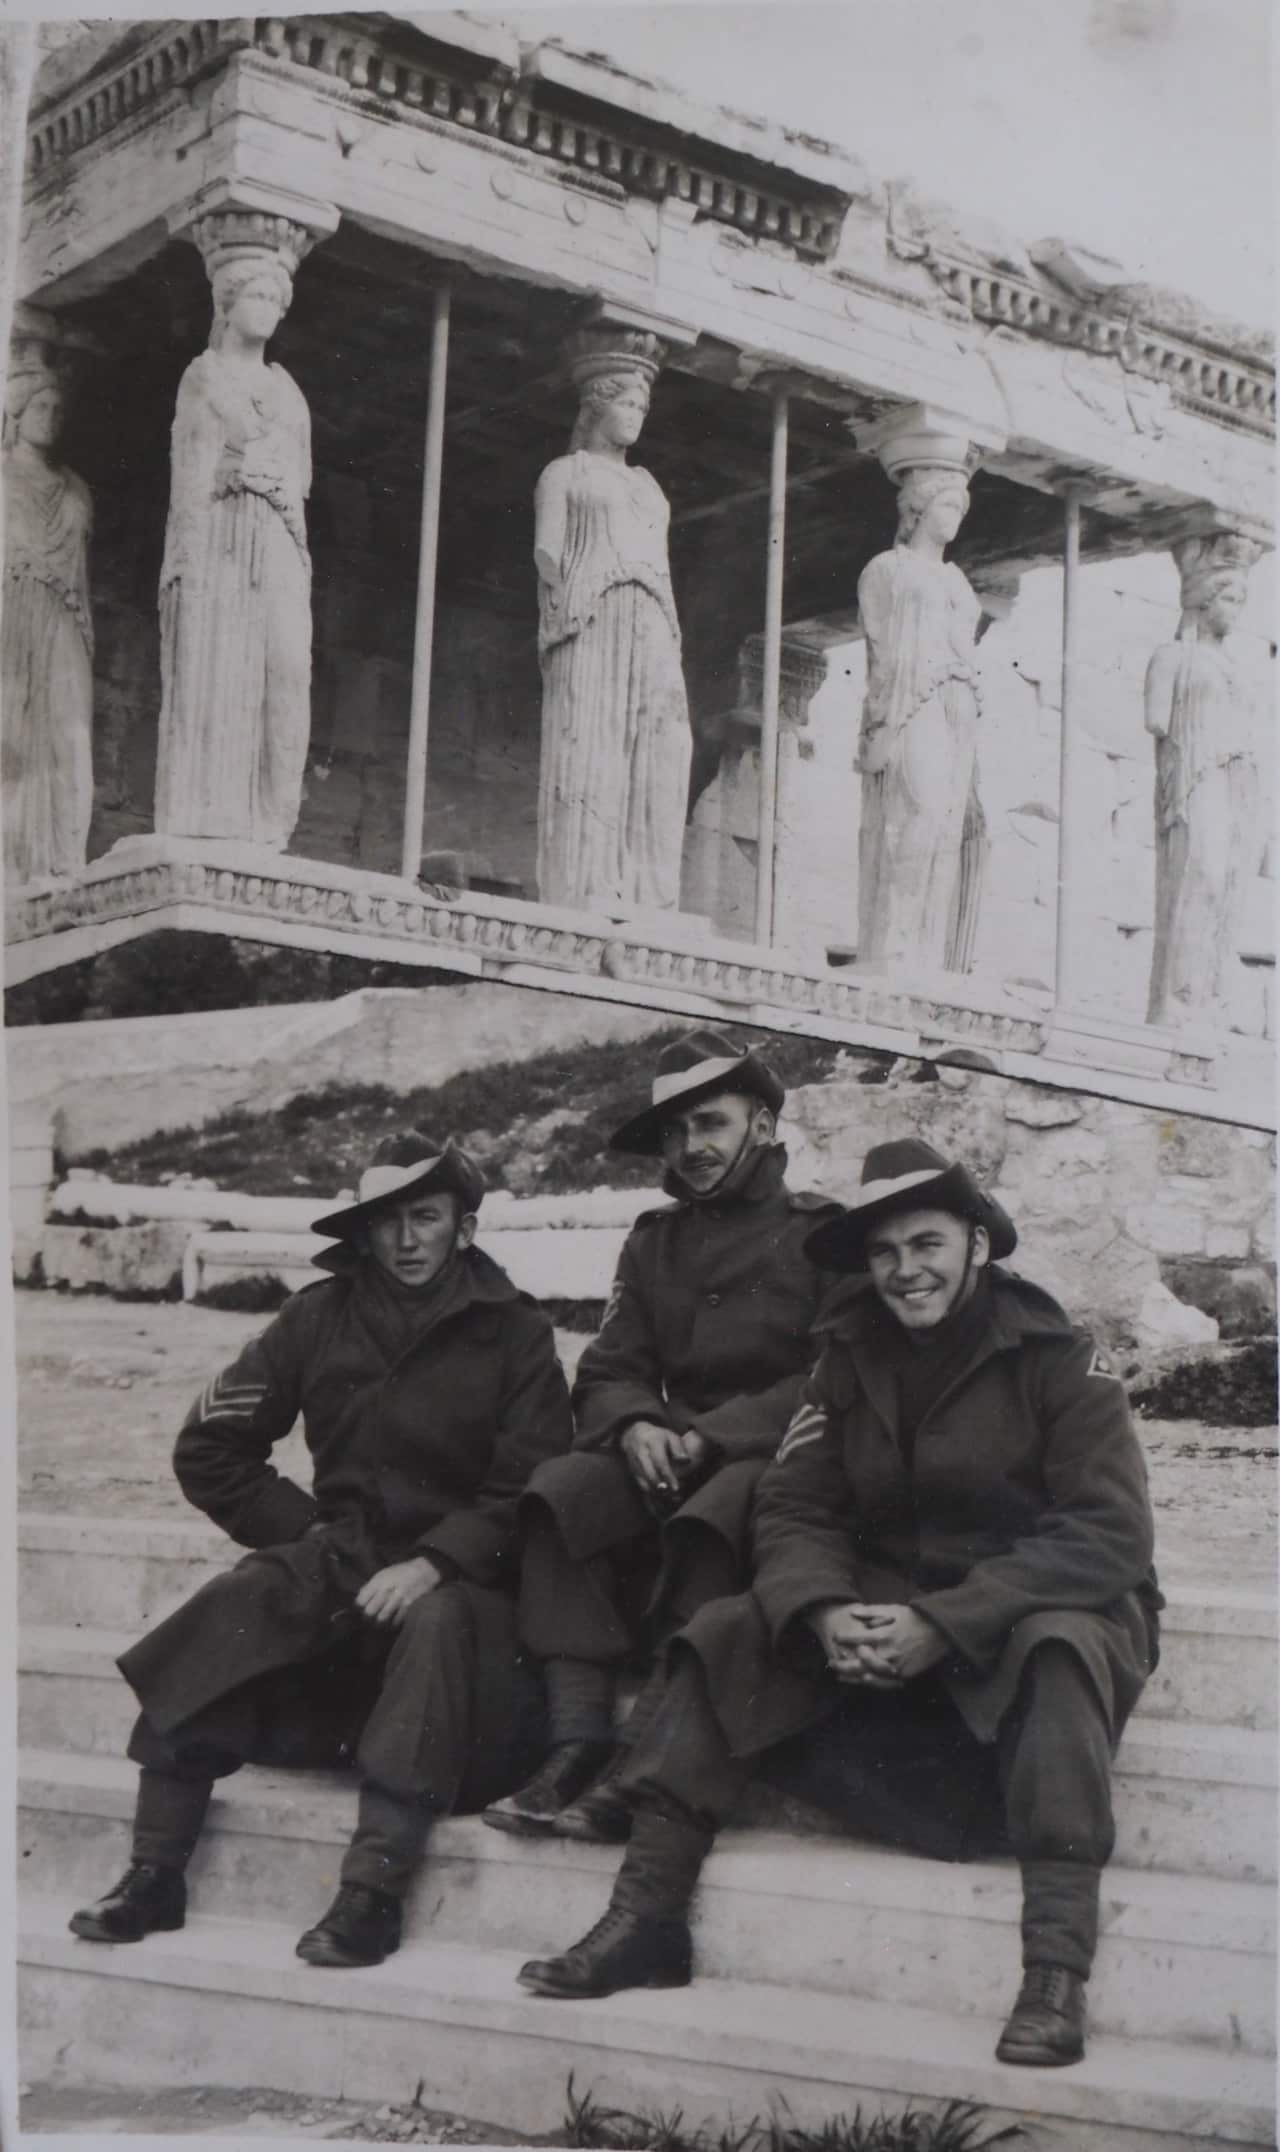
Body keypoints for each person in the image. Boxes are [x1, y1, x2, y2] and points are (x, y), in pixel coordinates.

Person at [518, 1137, 1161, 2073]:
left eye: (928, 1244)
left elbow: (1107, 1534)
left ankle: (1055, 1973)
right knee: (729, 1628)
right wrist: (820, 1608)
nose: (907, 1272)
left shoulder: (1061, 1358)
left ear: (979, 1244)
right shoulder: (847, 1358)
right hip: (888, 1609)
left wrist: (946, 1624)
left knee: (1060, 1648)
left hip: (1028, 1607)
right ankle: (645, 1918)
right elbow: (795, 1502)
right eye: (885, 1252)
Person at [68, 1133, 572, 1970]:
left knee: (438, 1622)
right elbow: (210, 1446)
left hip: (472, 1588)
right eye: (388, 1223)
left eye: (427, 1217)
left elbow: (530, 1485)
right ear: (363, 1232)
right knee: (245, 1596)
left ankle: (371, 1894)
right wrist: (309, 1537)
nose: (408, 1240)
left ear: (464, 1227)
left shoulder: (515, 1334)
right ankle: (154, 1872)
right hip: (348, 1558)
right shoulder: (317, 1317)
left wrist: (435, 1561)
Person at [483, 1027, 842, 1845]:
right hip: (667, 1453)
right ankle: (576, 1740)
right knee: (562, 1492)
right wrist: (636, 1422)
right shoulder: (654, 1241)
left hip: (775, 1461)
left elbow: (836, 1378)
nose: (691, 1148)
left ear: (761, 1122)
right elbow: (610, 1364)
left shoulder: (825, 1235)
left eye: (710, 1124)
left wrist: (714, 1435)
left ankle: (645, 1756)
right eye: (676, 1133)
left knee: (719, 1507)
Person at [154, 250, 312, 849]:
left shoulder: (287, 389)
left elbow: (301, 475)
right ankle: (214, 814)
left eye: (276, 300)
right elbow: (197, 463)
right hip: (220, 535)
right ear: (229, 303)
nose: (268, 310)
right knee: (219, 659)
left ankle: (272, 821)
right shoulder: (206, 374)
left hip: (276, 534)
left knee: (288, 666)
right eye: (257, 297)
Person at [535, 333, 692, 913]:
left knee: (666, 745)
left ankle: (650, 892)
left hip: (651, 620)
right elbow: (549, 555)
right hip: (592, 620)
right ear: (597, 404)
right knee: (594, 741)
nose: (636, 417)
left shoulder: (648, 487)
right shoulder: (563, 473)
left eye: (642, 407)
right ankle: (586, 883)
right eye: (626, 402)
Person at [855, 465, 987, 973]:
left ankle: (923, 952)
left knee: (945, 828)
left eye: (961, 508)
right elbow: (879, 648)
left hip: (959, 702)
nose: (956, 517)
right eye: (949, 505)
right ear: (919, 508)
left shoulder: (955, 578)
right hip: (914, 699)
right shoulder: (887, 568)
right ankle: (890, 941)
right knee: (921, 812)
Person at [2, 357, 94, 882]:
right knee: (10, 725)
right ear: (16, 411)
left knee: (69, 730)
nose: (51, 416)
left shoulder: (77, 488)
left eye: (59, 409)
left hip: (65, 614)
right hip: (11, 609)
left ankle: (62, 860)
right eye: (41, 406)